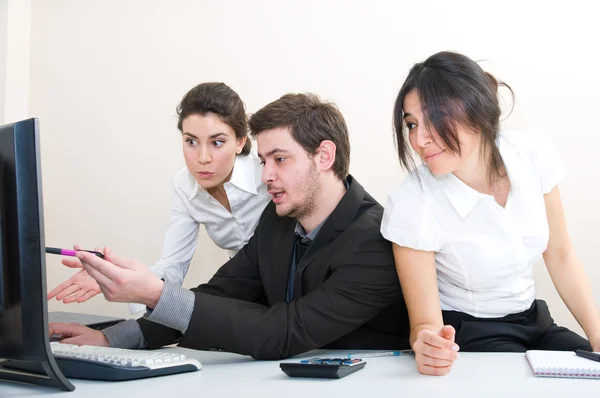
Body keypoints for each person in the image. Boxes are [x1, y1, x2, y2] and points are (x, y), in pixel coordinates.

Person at [48, 93, 411, 359]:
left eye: (280, 160)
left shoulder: (374, 240)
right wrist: (114, 339)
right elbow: (220, 294)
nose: (267, 176)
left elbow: (282, 332)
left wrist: (154, 293)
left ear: (325, 156)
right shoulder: (278, 221)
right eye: (264, 161)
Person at [381, 51, 600, 376]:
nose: (419, 139)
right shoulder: (413, 201)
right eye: (411, 124)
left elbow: (561, 255)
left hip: (535, 322)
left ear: (476, 108)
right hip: (473, 337)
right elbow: (425, 323)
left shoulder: (532, 153)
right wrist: (428, 344)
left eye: (433, 118)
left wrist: (597, 339)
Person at [47, 82, 271, 313]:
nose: (203, 158)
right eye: (191, 141)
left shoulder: (267, 171)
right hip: (247, 294)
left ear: (241, 142)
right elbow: (172, 267)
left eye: (217, 142)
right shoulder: (184, 185)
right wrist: (116, 275)